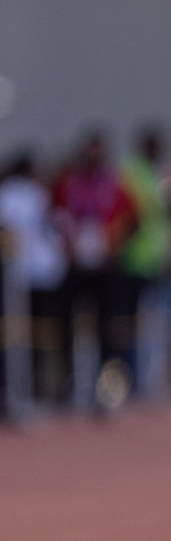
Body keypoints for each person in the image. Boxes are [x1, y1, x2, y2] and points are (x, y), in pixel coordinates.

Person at [52, 129, 139, 413]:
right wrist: (67, 244)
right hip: (75, 264)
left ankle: (108, 381)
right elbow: (54, 216)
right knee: (66, 324)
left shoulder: (114, 183)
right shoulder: (68, 182)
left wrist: (116, 240)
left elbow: (133, 218)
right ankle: (68, 381)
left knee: (109, 325)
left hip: (105, 264)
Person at [0, 150, 68, 412]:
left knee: (31, 335)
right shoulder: (29, 193)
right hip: (34, 272)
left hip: (22, 272)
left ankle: (25, 388)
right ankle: (32, 388)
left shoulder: (12, 193)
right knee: (33, 334)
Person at [119, 126, 171, 392]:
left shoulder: (157, 174)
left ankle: (145, 375)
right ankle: (129, 374)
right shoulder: (132, 172)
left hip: (153, 260)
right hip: (132, 259)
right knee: (128, 320)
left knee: (150, 322)